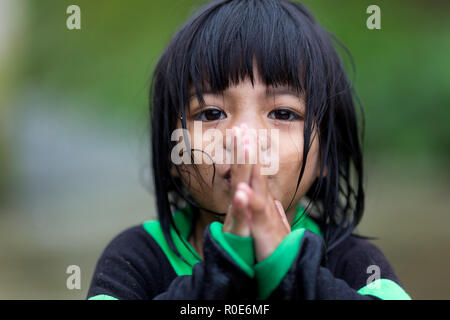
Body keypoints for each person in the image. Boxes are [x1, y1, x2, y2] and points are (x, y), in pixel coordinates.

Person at [87, 0, 411, 300]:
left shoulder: (352, 260)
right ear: (174, 155)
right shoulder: (137, 256)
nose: (245, 138)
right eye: (211, 114)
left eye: (283, 113)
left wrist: (289, 268)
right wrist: (223, 268)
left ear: (325, 156)